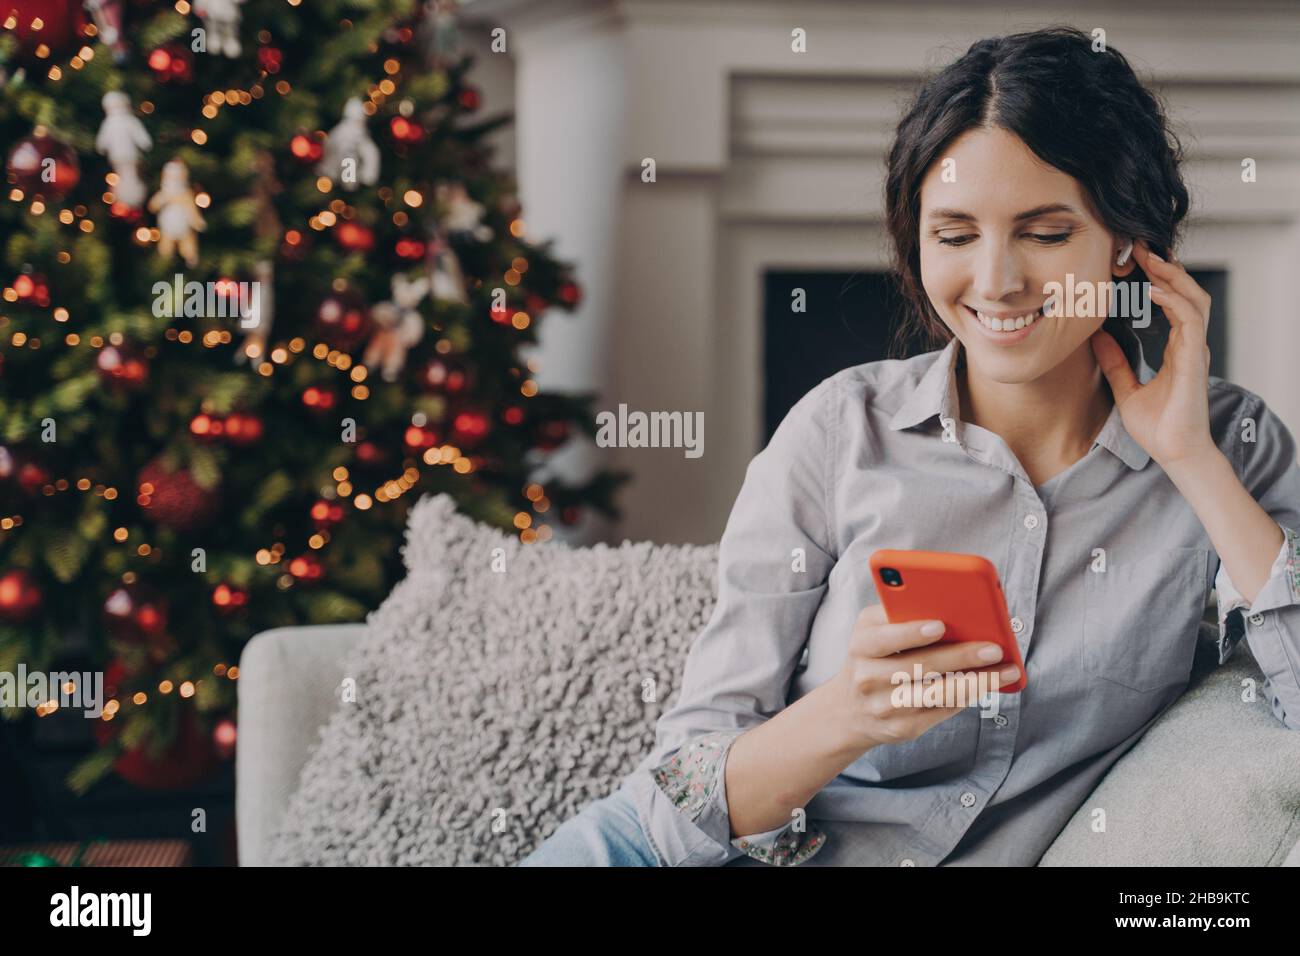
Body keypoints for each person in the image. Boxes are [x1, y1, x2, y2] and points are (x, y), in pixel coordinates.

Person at [519, 26, 1300, 868]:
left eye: (1044, 233)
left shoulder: (1230, 448)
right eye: (956, 235)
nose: (996, 282)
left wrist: (1187, 459)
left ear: (1124, 245)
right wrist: (847, 716)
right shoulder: (837, 431)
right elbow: (684, 789)